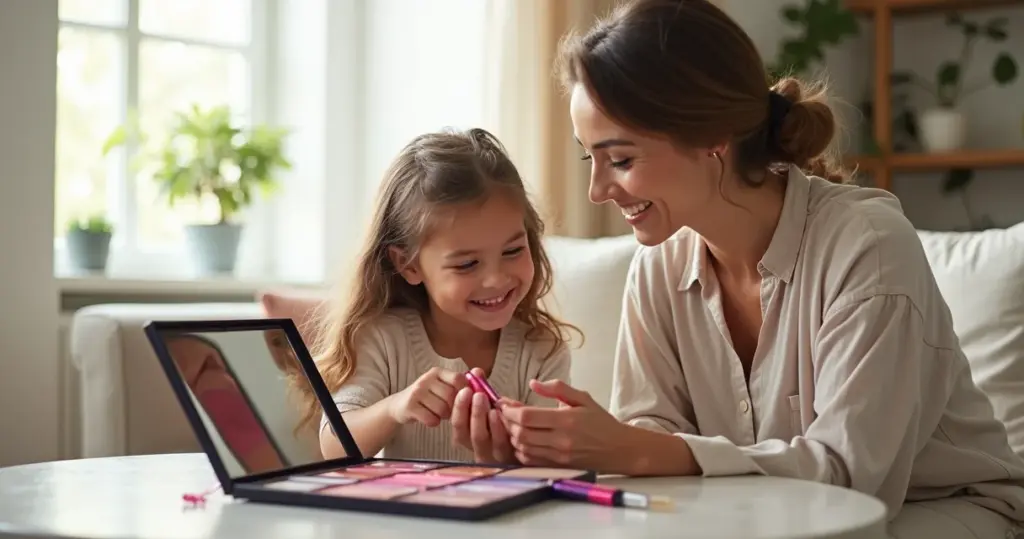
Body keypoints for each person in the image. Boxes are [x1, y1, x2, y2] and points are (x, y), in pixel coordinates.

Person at [481, 0, 1024, 535]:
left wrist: (643, 450)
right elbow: (653, 434)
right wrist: (564, 451)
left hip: (936, 506)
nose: (598, 190)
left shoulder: (868, 247)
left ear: (713, 136)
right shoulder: (657, 267)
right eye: (588, 157)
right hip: (759, 511)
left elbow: (852, 477)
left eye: (620, 159)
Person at [291, 127, 575, 464]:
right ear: (408, 265)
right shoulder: (383, 338)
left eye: (513, 250)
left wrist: (513, 451)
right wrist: (395, 407)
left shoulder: (541, 349)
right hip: (404, 515)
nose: (497, 279)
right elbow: (335, 445)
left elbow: (552, 466)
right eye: (468, 264)